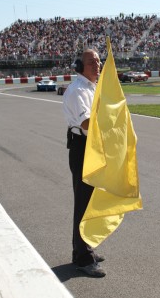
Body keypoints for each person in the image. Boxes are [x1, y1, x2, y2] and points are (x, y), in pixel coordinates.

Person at [63, 49, 106, 278]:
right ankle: (83, 258)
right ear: (79, 65)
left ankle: (82, 248)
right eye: (91, 61)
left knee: (89, 202)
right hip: (82, 147)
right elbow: (87, 123)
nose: (96, 65)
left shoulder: (92, 87)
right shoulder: (77, 90)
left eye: (98, 61)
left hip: (91, 148)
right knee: (83, 203)